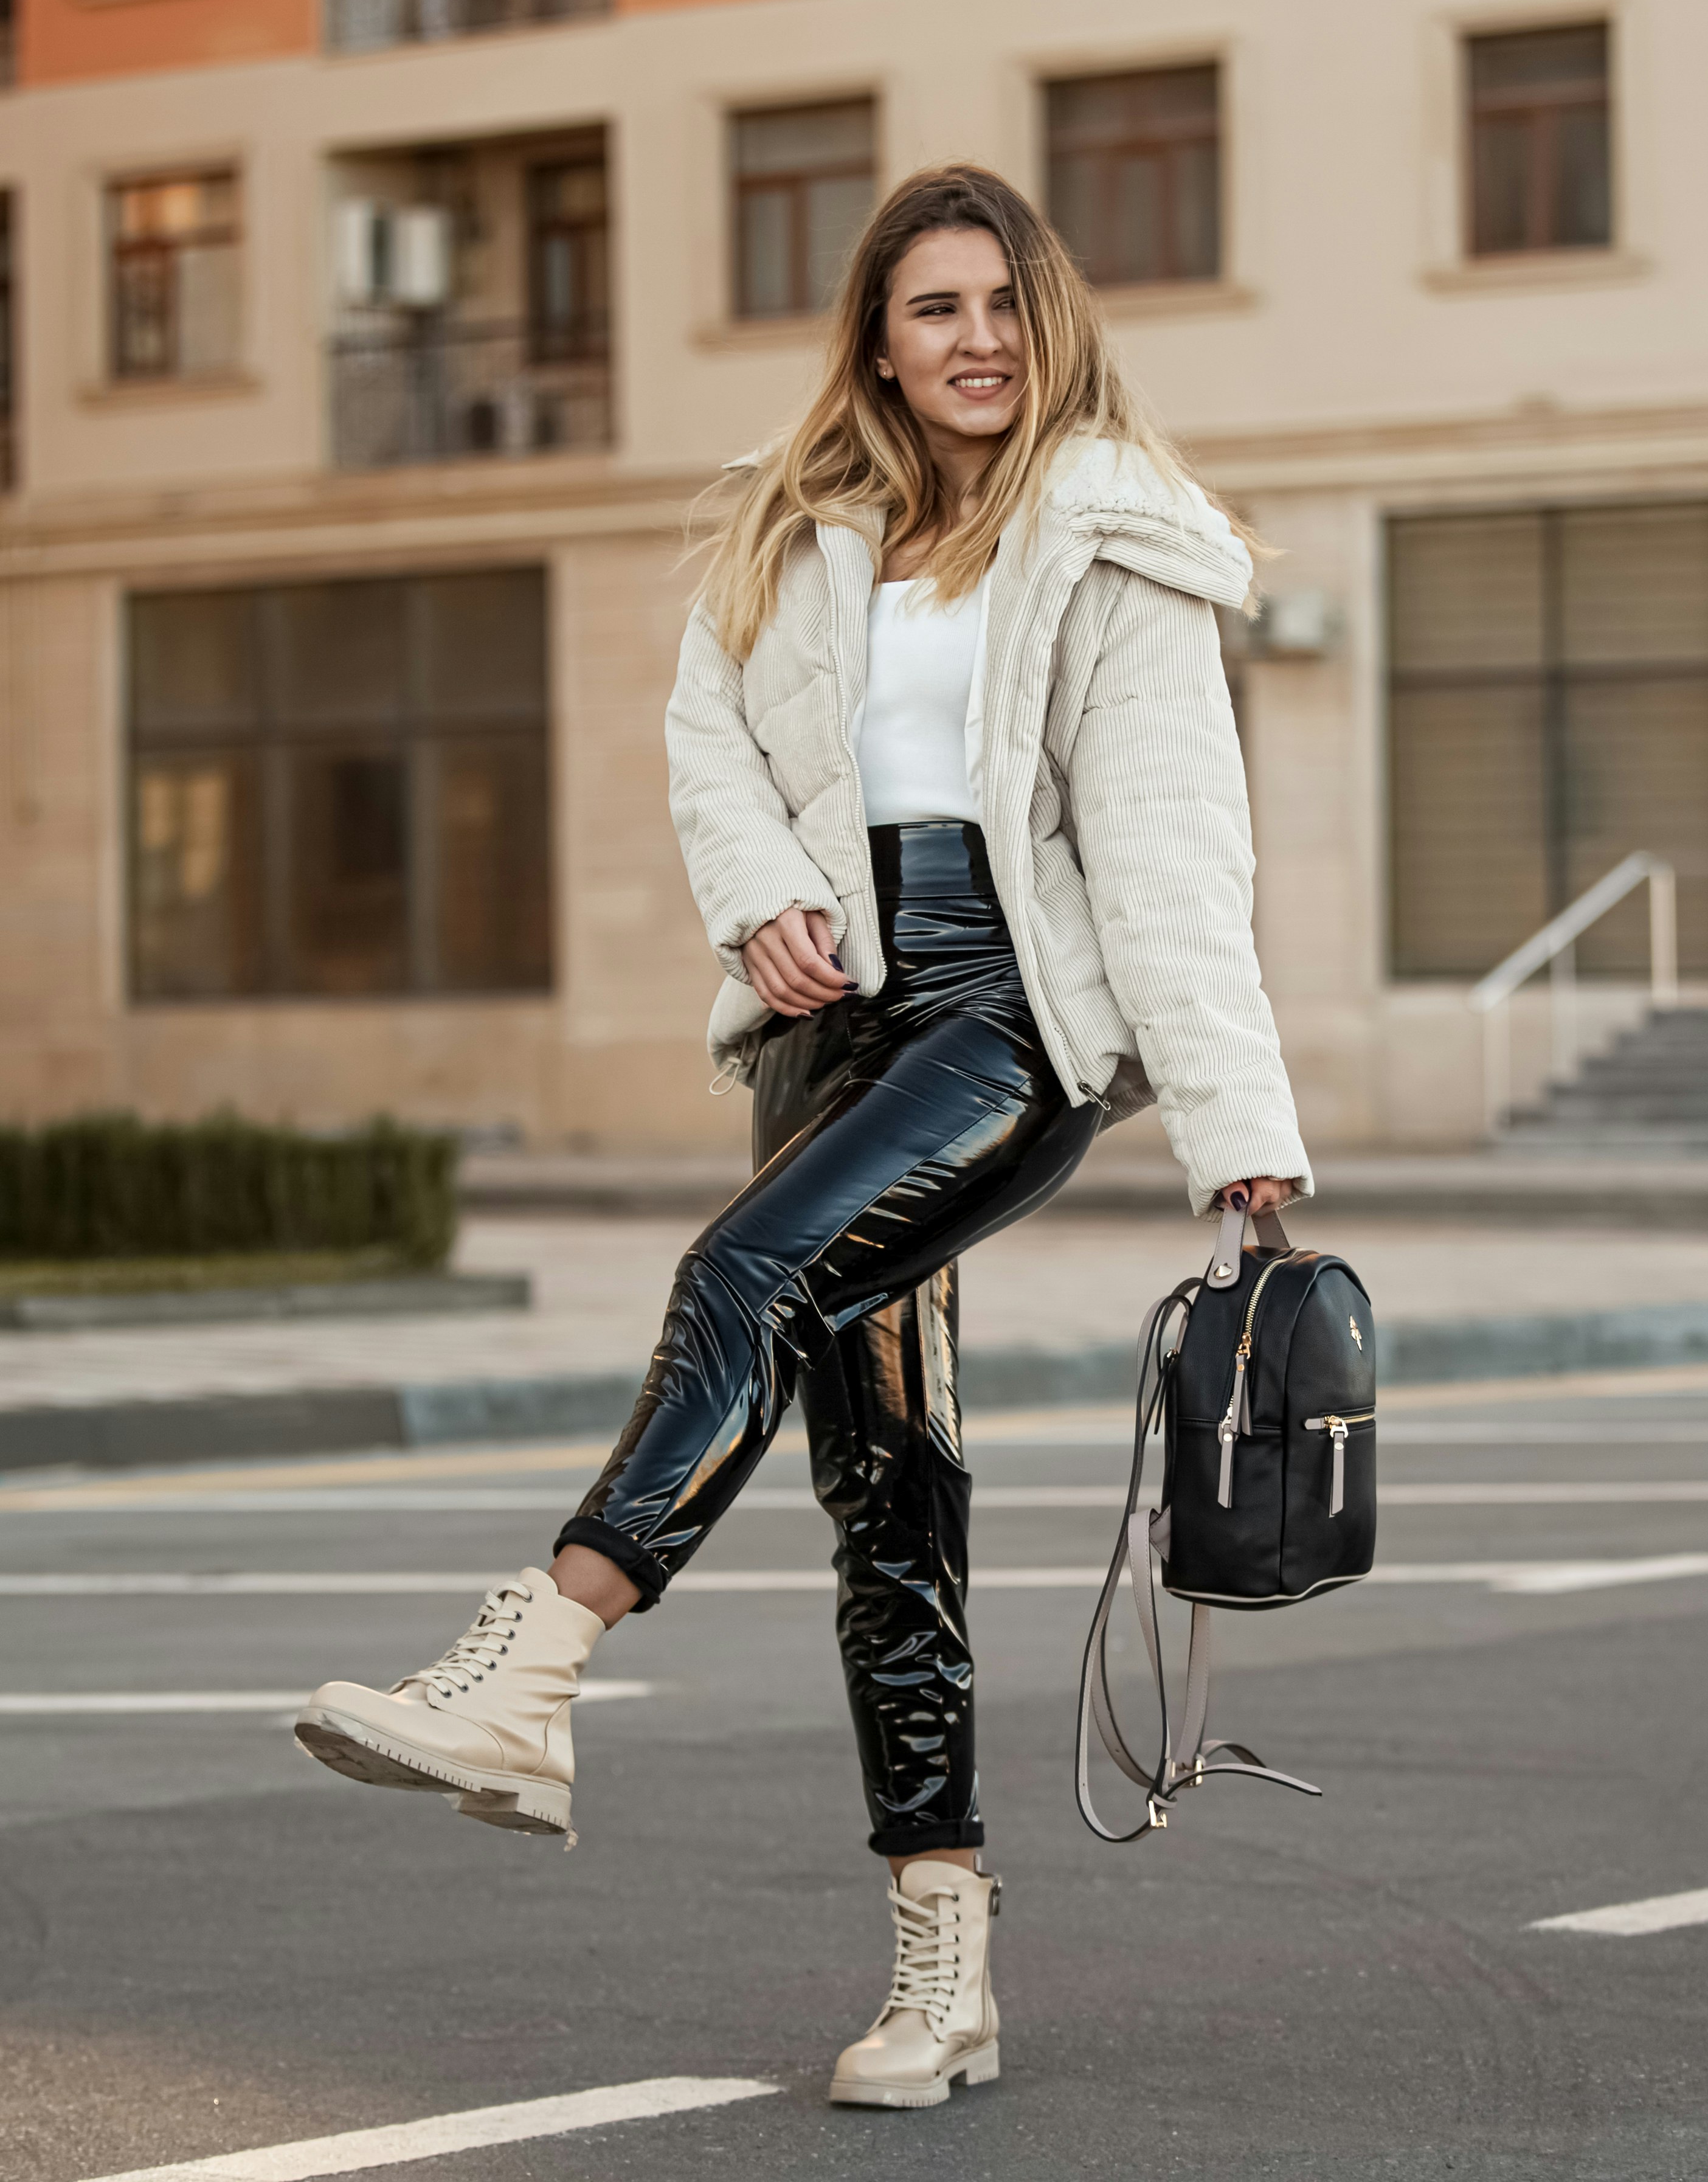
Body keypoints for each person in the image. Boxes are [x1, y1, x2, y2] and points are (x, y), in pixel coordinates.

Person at [295, 162, 1310, 2110]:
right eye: (935, 308)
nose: (978, 339)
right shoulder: (796, 529)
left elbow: (1177, 849)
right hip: (824, 1019)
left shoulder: (1118, 537)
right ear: (877, 335)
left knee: (734, 1272)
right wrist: (759, 890)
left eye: (1006, 302)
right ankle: (946, 1968)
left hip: (1002, 1018)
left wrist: (1234, 1124)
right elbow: (708, 750)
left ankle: (535, 1661)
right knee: (888, 1492)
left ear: (1054, 319)